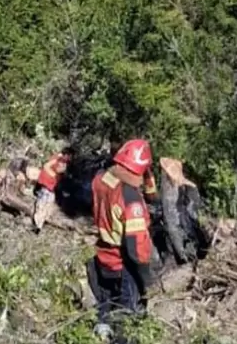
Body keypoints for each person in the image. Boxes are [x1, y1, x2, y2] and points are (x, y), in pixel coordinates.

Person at [87, 138, 155, 340]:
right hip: (122, 263)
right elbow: (136, 249)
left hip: (102, 255)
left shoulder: (101, 178)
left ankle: (101, 331)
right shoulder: (131, 199)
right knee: (127, 316)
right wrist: (145, 277)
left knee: (105, 308)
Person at [31, 146, 75, 231]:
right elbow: (48, 166)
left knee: (45, 205)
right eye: (71, 156)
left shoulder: (58, 158)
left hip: (49, 186)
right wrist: (55, 174)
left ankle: (39, 224)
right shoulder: (60, 159)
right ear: (67, 154)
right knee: (43, 205)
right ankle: (37, 225)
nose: (71, 159)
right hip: (48, 185)